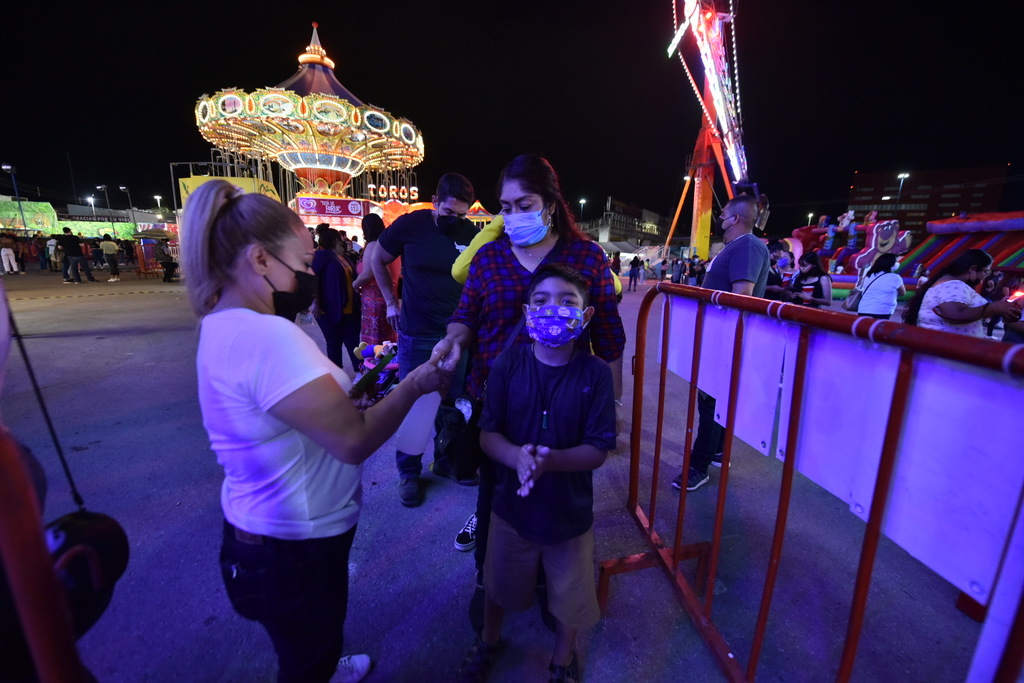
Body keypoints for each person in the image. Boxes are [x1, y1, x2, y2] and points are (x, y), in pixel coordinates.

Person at [180, 179, 457, 683]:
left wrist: (348, 396)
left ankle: (322, 661)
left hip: (265, 536)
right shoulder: (266, 336)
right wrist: (414, 383)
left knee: (307, 641)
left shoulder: (226, 323)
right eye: (304, 264)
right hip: (292, 548)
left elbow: (282, 411)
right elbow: (352, 441)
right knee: (305, 657)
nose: (311, 274)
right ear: (260, 260)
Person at [432, 154, 624, 628]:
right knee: (495, 501)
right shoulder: (490, 257)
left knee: (559, 507)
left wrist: (611, 411)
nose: (513, 216)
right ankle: (490, 592)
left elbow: (611, 340)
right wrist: (453, 341)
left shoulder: (586, 258)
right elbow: (466, 316)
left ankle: (555, 600)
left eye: (525, 204)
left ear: (552, 205)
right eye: (506, 206)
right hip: (497, 406)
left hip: (565, 411)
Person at [456, 265, 615, 683]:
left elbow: (598, 450)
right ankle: (489, 641)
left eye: (568, 302)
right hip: (511, 511)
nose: (553, 310)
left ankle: (563, 661)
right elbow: (488, 435)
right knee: (498, 585)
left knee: (570, 599)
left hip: (570, 517)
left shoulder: (596, 375)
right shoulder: (509, 364)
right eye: (542, 301)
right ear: (528, 312)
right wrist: (517, 458)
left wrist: (549, 461)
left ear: (587, 316)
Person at [370, 173, 478, 506]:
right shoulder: (411, 225)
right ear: (435, 201)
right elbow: (377, 258)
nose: (455, 221)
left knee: (453, 405)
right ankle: (409, 474)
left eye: (461, 215)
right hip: (417, 333)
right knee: (417, 404)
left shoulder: (471, 235)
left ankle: (445, 462)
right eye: (449, 212)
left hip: (456, 334)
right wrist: (390, 301)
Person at [672, 195, 769, 492]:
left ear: (736, 218)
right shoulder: (737, 247)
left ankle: (697, 467)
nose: (720, 217)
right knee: (717, 401)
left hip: (724, 339)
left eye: (724, 213)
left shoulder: (748, 246)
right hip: (720, 337)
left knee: (709, 402)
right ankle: (716, 452)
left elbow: (742, 296)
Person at [903, 249, 1021, 336]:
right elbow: (954, 315)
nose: (985, 276)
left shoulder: (946, 282)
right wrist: (994, 308)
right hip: (947, 355)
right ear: (972, 269)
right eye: (985, 271)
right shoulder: (954, 285)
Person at [313, 228, 361, 372]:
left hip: (351, 308)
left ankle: (361, 373)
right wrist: (315, 302)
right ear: (335, 240)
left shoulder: (343, 257)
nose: (343, 241)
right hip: (329, 308)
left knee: (353, 342)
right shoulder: (321, 255)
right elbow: (313, 278)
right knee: (334, 342)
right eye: (340, 239)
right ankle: (336, 374)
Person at [351, 213, 398, 346]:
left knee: (375, 343)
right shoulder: (389, 245)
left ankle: (376, 366)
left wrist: (354, 285)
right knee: (389, 340)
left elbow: (368, 273)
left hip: (374, 299)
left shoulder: (373, 245)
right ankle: (390, 365)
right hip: (389, 295)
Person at [853, 253, 906, 319]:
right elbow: (903, 293)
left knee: (865, 328)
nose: (897, 263)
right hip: (882, 311)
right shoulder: (895, 277)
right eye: (895, 261)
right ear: (890, 264)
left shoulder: (869, 275)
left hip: (863, 309)